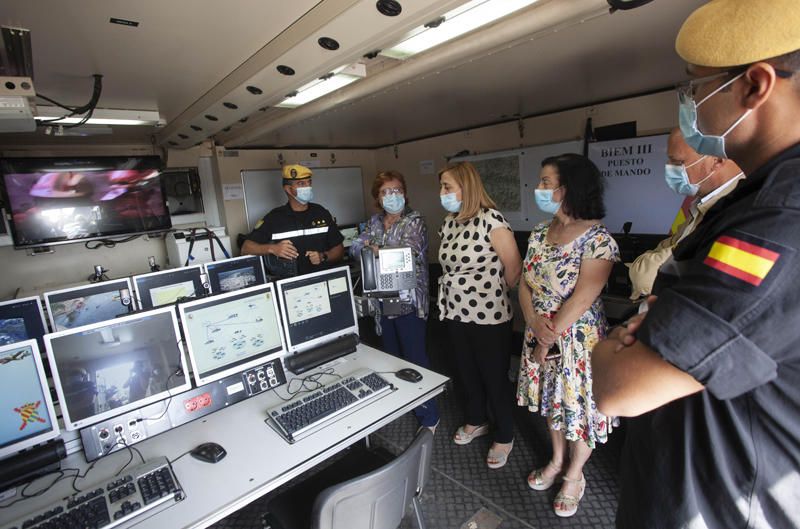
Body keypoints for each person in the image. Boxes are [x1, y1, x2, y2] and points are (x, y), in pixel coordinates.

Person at [592, 1, 800, 527]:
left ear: (755, 86)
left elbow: (619, 386)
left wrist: (615, 344)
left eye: (695, 86)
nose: (689, 102)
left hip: (723, 503)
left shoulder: (781, 221)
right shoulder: (757, 198)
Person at [516, 154, 618, 518]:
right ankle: (557, 460)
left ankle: (575, 474)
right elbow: (525, 284)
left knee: (576, 406)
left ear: (568, 188)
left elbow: (584, 296)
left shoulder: (598, 239)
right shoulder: (540, 232)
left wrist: (548, 336)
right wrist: (531, 320)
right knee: (550, 401)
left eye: (546, 182)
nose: (538, 189)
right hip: (539, 330)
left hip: (576, 340)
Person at [437, 161, 521, 469]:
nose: (442, 193)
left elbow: (513, 269)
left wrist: (491, 293)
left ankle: (504, 433)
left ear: (466, 188)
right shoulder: (449, 222)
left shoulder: (492, 220)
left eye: (447, 187)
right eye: (442, 187)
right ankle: (476, 419)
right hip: (455, 312)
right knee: (465, 370)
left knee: (493, 376)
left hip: (490, 316)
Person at [350, 170, 440, 432]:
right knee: (391, 358)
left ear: (405, 193)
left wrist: (374, 250)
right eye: (386, 192)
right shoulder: (375, 222)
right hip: (381, 302)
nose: (393, 196)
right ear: (377, 198)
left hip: (408, 301)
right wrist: (373, 250)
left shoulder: (415, 220)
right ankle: (403, 402)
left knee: (415, 358)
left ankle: (428, 414)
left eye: (397, 190)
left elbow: (408, 254)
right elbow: (355, 247)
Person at [628, 128, 744, 299]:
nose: (670, 169)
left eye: (678, 162)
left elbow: (647, 277)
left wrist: (645, 263)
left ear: (717, 160)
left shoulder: (735, 207)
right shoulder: (701, 206)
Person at [242, 164, 344, 276]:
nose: (308, 187)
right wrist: (273, 248)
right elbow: (246, 249)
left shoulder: (321, 212)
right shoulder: (274, 218)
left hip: (321, 279)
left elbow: (339, 250)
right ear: (288, 189)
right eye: (301, 184)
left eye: (309, 182)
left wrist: (323, 256)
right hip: (290, 284)